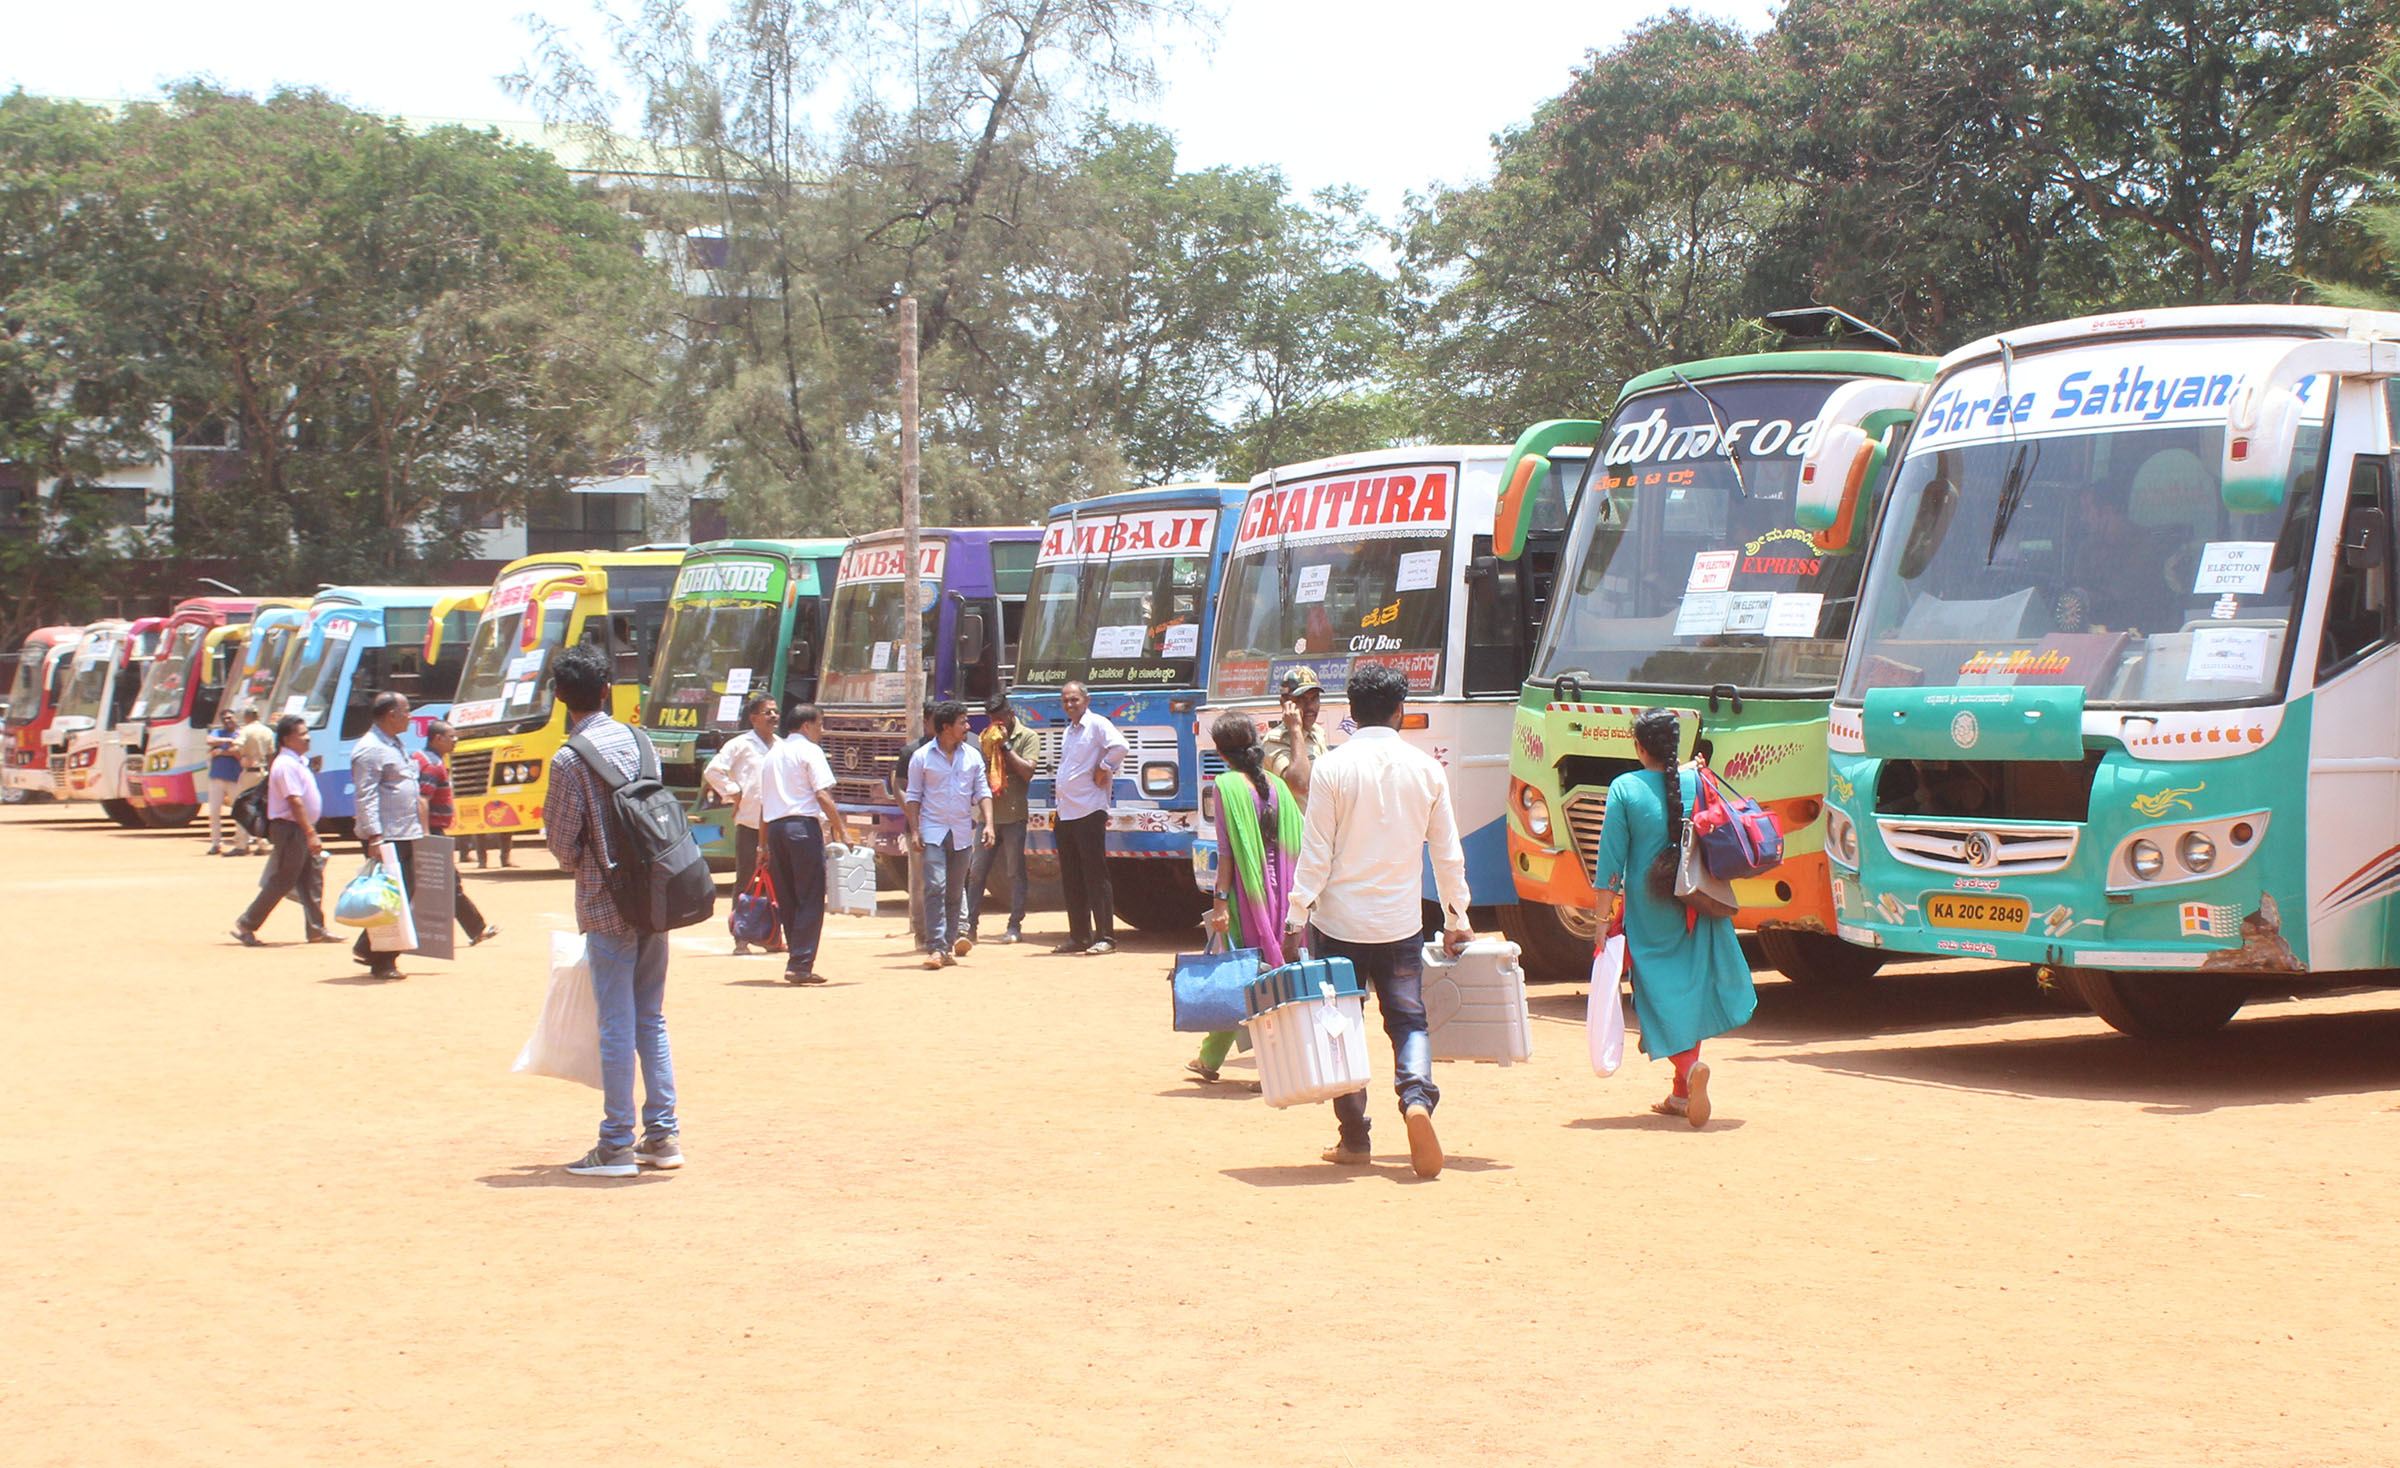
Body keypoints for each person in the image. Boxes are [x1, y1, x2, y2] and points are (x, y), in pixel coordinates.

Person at [1286, 662, 1472, 1179]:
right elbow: (1448, 856)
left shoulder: (1332, 768)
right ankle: (1416, 1099)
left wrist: (1295, 913)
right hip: (1400, 925)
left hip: (1337, 925)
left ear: (1351, 712)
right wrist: (1457, 917)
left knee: (1339, 1030)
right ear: (1400, 711)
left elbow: (1315, 855)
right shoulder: (1427, 769)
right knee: (1409, 1021)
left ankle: (1354, 1139)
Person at [543, 641, 681, 1178]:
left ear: (560, 697)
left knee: (617, 1022)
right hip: (658, 896)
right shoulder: (642, 743)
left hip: (605, 903)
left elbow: (560, 842)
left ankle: (616, 1144)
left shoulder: (569, 760)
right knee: (652, 1016)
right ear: (607, 690)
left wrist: (587, 862)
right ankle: (663, 1135)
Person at [1590, 707, 1757, 1128]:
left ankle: (1687, 1071)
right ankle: (1682, 1091)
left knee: (1656, 990)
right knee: (1691, 987)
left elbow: (1610, 863)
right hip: (1698, 900)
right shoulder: (1696, 780)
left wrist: (1598, 921)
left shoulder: (1624, 788)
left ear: (1638, 747)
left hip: (1648, 908)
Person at [1189, 711, 1305, 1083]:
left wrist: (1220, 902)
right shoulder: (1276, 785)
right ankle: (1209, 1058)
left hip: (1248, 899)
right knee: (1257, 974)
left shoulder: (1226, 786)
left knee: (1249, 975)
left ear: (1222, 752)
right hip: (1285, 897)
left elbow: (1226, 853)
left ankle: (1272, 1069)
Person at [760, 703, 851, 985]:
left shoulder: (772, 754)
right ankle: (800, 963)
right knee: (810, 896)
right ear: (807, 726)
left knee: (788, 897)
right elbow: (822, 795)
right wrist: (843, 831)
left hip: (776, 830)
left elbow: (764, 805)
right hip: (802, 828)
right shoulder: (810, 751)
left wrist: (762, 846)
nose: (822, 731)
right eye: (820, 725)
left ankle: (796, 959)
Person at [230, 714, 337, 946]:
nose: (308, 738)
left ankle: (317, 929)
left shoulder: (298, 762)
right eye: (302, 734)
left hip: (299, 827)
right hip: (291, 828)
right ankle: (247, 923)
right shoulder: (285, 765)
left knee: (312, 878)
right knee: (284, 879)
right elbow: (294, 801)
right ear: (287, 739)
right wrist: (310, 832)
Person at [904, 700, 993, 970]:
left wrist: (989, 823)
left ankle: (949, 944)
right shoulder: (921, 757)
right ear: (946, 727)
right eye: (962, 722)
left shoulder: (972, 756)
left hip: (962, 833)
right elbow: (913, 796)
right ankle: (936, 947)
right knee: (935, 887)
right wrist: (916, 829)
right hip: (933, 831)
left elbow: (983, 792)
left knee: (955, 892)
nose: (967, 727)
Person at [1051, 680, 1128, 956]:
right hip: (1066, 812)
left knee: (1095, 875)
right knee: (1072, 876)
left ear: (1087, 699)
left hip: (1089, 810)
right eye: (1065, 700)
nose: (1070, 704)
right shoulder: (1069, 731)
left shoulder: (1097, 724)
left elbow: (1120, 746)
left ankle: (1105, 937)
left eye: (1074, 699)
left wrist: (1104, 767)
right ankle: (1079, 936)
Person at [350, 692, 423, 980]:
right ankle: (382, 960)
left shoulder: (393, 744)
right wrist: (375, 837)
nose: (410, 716)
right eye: (406, 711)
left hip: (403, 831)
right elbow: (365, 796)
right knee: (392, 897)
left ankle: (368, 948)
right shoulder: (370, 749)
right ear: (391, 714)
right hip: (387, 835)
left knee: (402, 894)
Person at [704, 694, 780, 955]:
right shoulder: (740, 745)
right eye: (767, 712)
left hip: (776, 823)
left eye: (775, 712)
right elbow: (713, 770)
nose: (773, 716)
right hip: (749, 823)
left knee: (777, 881)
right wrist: (734, 792)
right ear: (753, 718)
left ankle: (772, 936)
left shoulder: (781, 746)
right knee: (747, 879)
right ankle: (741, 938)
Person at [414, 720, 499, 947]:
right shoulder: (432, 765)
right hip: (431, 831)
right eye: (451, 737)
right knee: (449, 883)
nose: (455, 741)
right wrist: (426, 837)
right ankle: (477, 929)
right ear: (437, 739)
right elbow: (422, 800)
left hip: (430, 830)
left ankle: (476, 929)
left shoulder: (423, 759)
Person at [968, 694, 1036, 945]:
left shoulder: (1027, 737)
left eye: (1000, 719)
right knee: (976, 873)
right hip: (988, 817)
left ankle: (1014, 925)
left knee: (1014, 872)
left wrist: (1006, 747)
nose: (996, 725)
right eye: (992, 720)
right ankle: (970, 925)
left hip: (1014, 815)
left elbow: (1028, 772)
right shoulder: (985, 738)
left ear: (1010, 715)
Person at [1265, 666, 1329, 807]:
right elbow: (1299, 784)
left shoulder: (1317, 733)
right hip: (1296, 828)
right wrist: (1294, 729)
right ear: (1284, 703)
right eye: (1301, 699)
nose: (1310, 706)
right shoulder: (1275, 741)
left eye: (1314, 699)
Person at [232, 709, 275, 855]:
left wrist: (242, 758)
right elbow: (271, 754)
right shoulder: (267, 731)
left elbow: (236, 746)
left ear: (246, 716)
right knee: (262, 808)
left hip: (249, 773)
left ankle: (241, 844)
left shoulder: (246, 730)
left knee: (242, 806)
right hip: (263, 772)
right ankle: (263, 843)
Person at [203, 710, 244, 855]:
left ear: (235, 718)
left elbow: (237, 751)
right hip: (217, 777)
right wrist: (228, 742)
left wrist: (221, 751)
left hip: (235, 778)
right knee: (214, 812)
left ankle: (242, 841)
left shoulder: (241, 733)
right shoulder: (218, 733)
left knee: (239, 812)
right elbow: (209, 741)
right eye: (224, 718)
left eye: (229, 717)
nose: (227, 721)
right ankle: (216, 843)